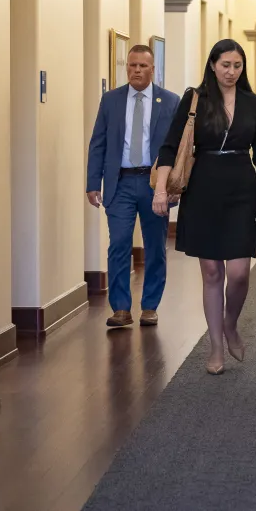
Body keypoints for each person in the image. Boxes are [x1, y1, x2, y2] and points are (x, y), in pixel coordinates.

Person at [152, 39, 256, 375]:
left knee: (239, 273)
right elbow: (170, 147)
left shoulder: (253, 103)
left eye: (237, 66)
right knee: (213, 272)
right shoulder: (195, 99)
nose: (231, 72)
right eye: (225, 65)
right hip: (202, 188)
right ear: (213, 65)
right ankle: (216, 346)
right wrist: (161, 190)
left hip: (241, 191)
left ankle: (230, 324)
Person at [86, 45, 180, 329]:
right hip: (121, 182)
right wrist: (93, 182)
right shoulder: (111, 100)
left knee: (154, 247)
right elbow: (98, 143)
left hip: (155, 184)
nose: (136, 70)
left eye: (143, 66)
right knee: (118, 244)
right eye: (132, 65)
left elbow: (178, 148)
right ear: (126, 67)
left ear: (153, 70)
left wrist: (176, 185)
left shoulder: (170, 101)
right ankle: (121, 309)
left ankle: (150, 306)